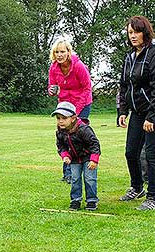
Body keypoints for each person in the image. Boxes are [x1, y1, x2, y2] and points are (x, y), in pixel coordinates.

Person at [118, 16, 155, 210]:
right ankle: (137, 187)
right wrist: (123, 110)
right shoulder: (130, 56)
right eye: (130, 33)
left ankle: (153, 197)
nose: (133, 36)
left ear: (145, 32)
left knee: (151, 151)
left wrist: (151, 117)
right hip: (138, 110)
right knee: (130, 151)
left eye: (136, 32)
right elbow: (125, 85)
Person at [48, 37, 93, 184]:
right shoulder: (54, 68)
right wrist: (51, 91)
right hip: (64, 103)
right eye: (57, 52)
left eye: (62, 51)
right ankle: (68, 174)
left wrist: (77, 111)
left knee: (79, 135)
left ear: (69, 52)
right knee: (63, 134)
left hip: (82, 102)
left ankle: (86, 167)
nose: (59, 55)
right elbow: (52, 87)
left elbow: (87, 88)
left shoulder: (79, 66)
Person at [52, 101, 101, 211]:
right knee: (75, 179)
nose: (60, 121)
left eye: (64, 118)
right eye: (58, 118)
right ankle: (75, 200)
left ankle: (92, 201)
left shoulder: (84, 129)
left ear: (73, 118)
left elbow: (94, 144)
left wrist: (94, 159)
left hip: (88, 158)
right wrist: (65, 155)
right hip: (74, 159)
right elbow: (61, 145)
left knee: (90, 179)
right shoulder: (60, 132)